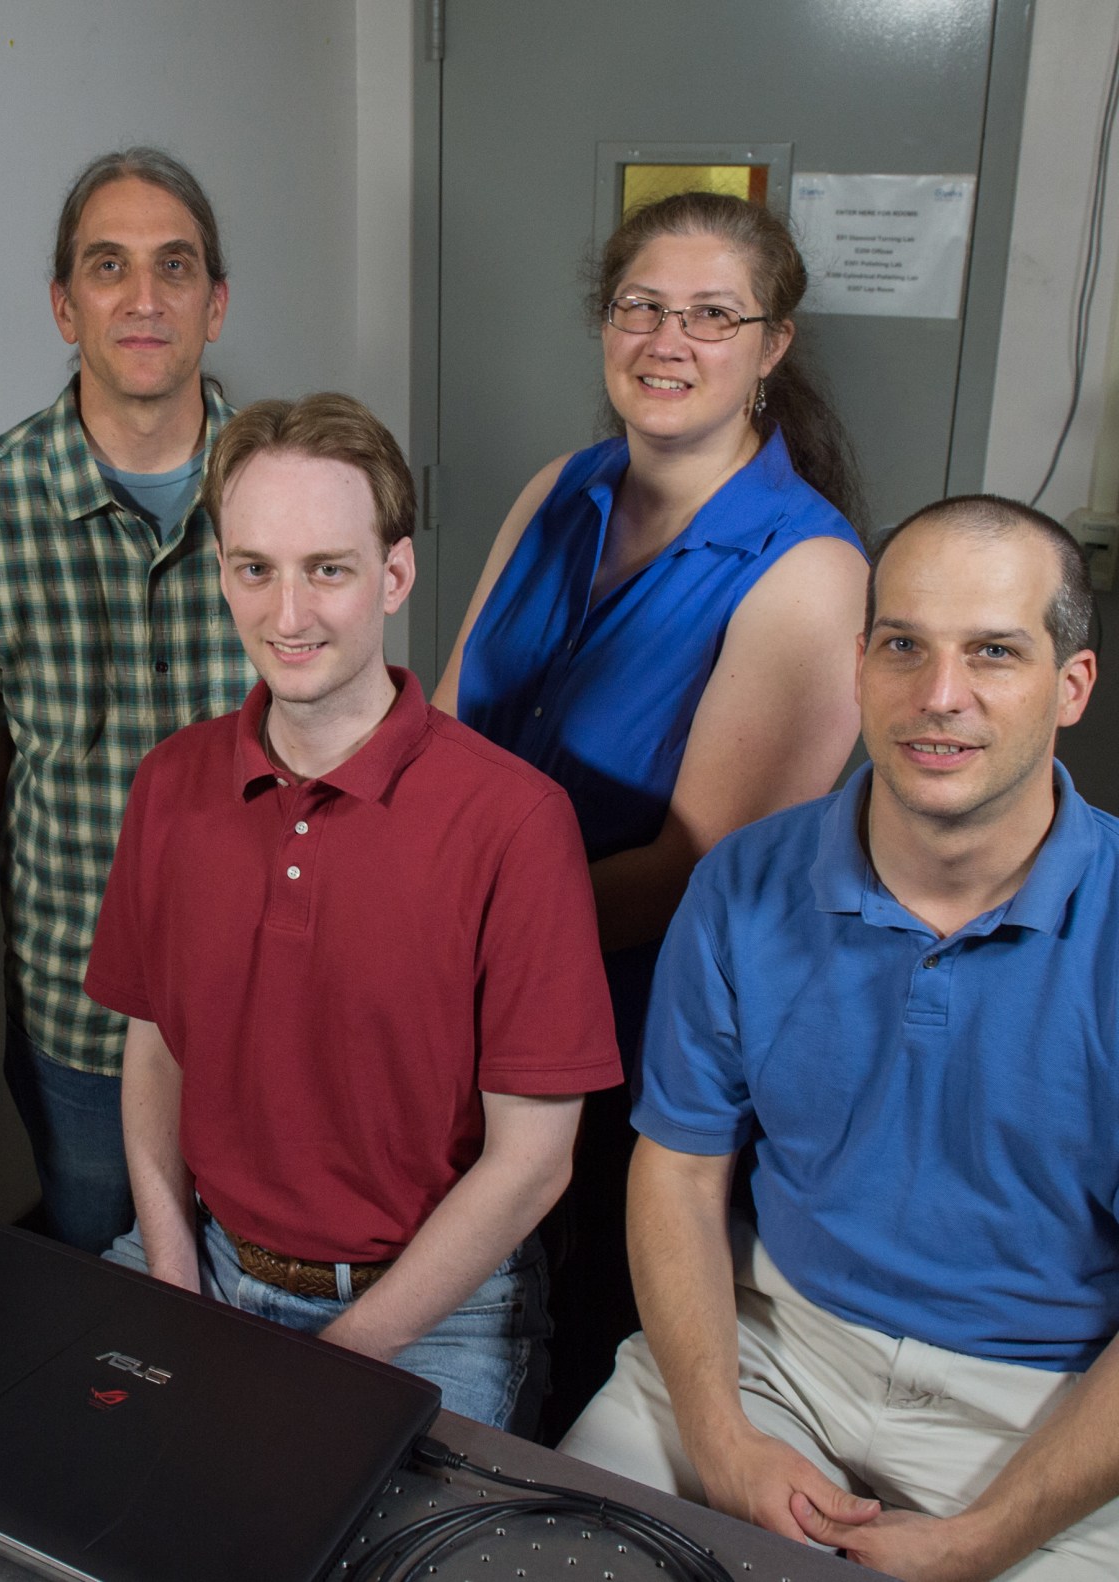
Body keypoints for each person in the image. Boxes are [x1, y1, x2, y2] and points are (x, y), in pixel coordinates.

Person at [561, 497, 1119, 1580]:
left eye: (992, 652)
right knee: (531, 1560)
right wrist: (720, 1441)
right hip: (773, 1348)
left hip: (1041, 1408)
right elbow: (675, 1175)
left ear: (1070, 686)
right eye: (903, 644)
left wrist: (979, 1539)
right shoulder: (739, 885)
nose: (938, 695)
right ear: (858, 664)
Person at [84, 393, 622, 1431]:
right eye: (254, 569)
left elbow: (533, 1160)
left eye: (326, 569)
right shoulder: (169, 785)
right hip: (204, 1256)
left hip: (429, 1309)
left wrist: (339, 1360)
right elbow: (153, 1046)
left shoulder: (512, 822)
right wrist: (166, 1265)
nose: (286, 616)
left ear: (394, 575)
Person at [431, 191, 869, 1434]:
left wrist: (451, 930)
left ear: (770, 346)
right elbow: (450, 731)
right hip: (472, 994)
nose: (665, 341)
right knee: (461, 1313)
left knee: (569, 1360)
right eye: (639, 307)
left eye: (710, 315)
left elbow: (687, 869)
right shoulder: (556, 490)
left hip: (629, 1044)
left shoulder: (807, 571)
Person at [0, 148, 252, 1251]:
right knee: (108, 1277)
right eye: (108, 266)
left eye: (174, 266)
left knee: (283, 1277)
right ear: (63, 305)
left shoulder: (286, 487)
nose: (142, 298)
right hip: (79, 997)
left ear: (215, 304)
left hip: (278, 984)